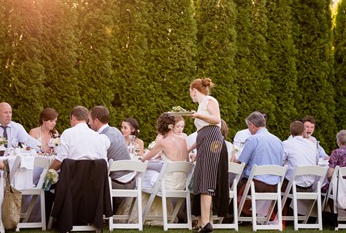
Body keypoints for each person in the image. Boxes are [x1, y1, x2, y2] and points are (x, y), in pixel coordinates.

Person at [118, 113, 189, 224]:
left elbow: (144, 159)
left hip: (168, 183)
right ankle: (159, 214)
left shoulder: (163, 142)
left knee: (143, 177)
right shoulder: (183, 140)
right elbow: (186, 160)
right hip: (181, 183)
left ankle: (138, 216)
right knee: (152, 177)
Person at [187, 78, 228, 233]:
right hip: (205, 139)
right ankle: (205, 222)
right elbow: (202, 130)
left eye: (190, 92)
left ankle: (206, 223)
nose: (190, 95)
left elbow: (216, 119)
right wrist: (191, 148)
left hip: (212, 139)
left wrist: (197, 115)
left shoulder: (210, 100)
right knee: (203, 179)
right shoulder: (200, 105)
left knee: (207, 180)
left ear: (194, 90)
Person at [236, 111, 283, 216]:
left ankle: (237, 216)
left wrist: (234, 160)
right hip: (274, 186)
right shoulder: (278, 141)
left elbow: (241, 163)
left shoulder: (253, 139)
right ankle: (259, 214)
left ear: (252, 125)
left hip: (255, 185)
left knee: (233, 184)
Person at [88, 105, 134, 211]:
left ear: (96, 120)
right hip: (131, 182)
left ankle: (89, 216)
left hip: (117, 184)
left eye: (89, 120)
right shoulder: (116, 131)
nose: (89, 123)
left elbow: (101, 165)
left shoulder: (102, 138)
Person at [50, 106, 110, 171]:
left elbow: (60, 159)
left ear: (73, 118)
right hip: (94, 180)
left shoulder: (68, 133)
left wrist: (48, 174)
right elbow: (105, 164)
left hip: (72, 179)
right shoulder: (99, 137)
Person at [282, 121, 319, 190]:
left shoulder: (286, 144)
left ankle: (280, 200)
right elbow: (316, 163)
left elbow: (280, 162)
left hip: (292, 185)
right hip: (309, 186)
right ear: (303, 132)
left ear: (290, 132)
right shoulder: (312, 145)